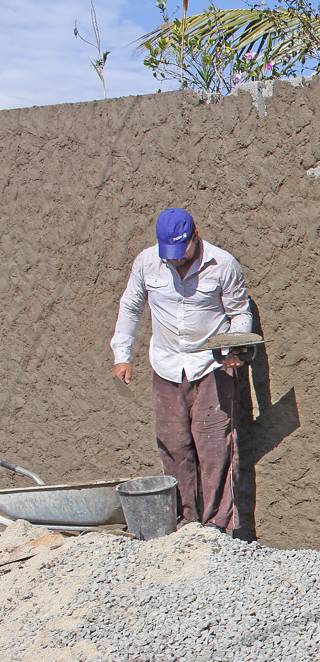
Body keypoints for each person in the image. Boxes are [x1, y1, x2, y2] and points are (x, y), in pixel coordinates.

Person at [110, 208, 253, 532]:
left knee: (215, 448)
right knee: (173, 445)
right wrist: (122, 354)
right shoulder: (147, 262)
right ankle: (186, 523)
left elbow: (239, 313)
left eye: (181, 252)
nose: (174, 260)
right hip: (167, 366)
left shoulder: (222, 264)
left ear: (195, 235)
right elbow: (130, 306)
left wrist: (232, 348)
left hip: (211, 366)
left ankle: (219, 529)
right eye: (169, 255)